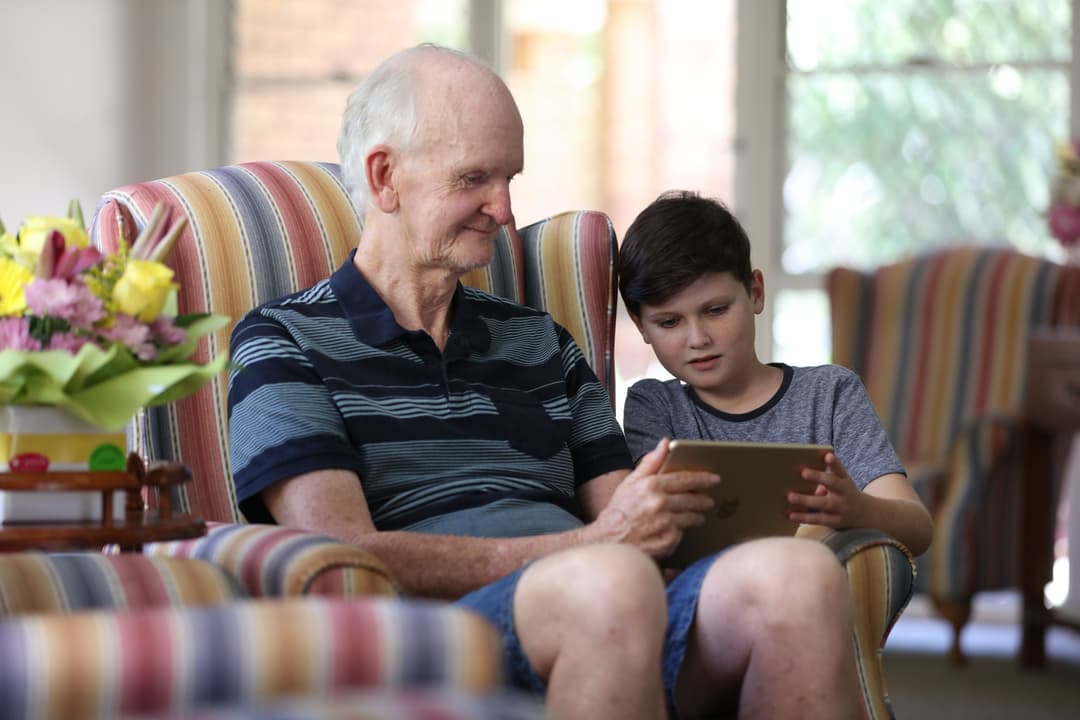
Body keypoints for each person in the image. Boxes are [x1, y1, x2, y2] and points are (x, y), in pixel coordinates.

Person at [227, 44, 861, 720]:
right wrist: (589, 547)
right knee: (608, 582)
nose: (504, 211)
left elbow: (627, 515)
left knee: (800, 577)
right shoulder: (280, 340)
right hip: (441, 632)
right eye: (476, 178)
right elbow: (343, 551)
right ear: (385, 178)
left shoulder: (540, 341)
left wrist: (675, 516)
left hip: (613, 598)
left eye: (510, 179)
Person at [618, 190, 934, 557]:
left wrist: (859, 510)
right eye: (669, 322)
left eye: (716, 310)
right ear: (641, 326)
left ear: (755, 292)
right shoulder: (654, 406)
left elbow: (919, 528)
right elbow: (659, 537)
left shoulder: (829, 393)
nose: (698, 338)